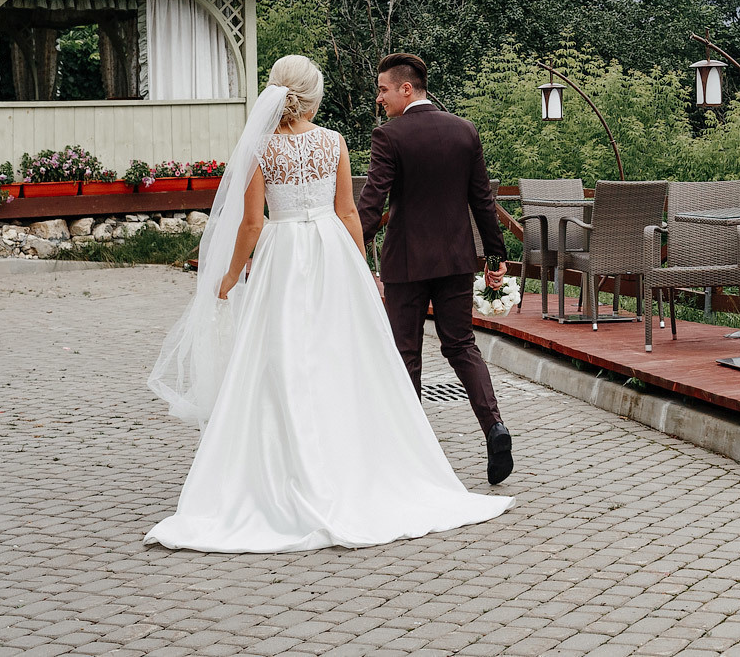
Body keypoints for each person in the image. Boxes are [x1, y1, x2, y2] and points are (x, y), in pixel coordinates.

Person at [144, 55, 508, 552]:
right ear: (312, 96)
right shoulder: (339, 141)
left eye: (384, 89)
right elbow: (352, 213)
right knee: (358, 355)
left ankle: (290, 463)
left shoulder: (262, 148)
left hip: (288, 255)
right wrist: (361, 267)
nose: (380, 96)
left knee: (285, 357)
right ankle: (395, 452)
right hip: (342, 253)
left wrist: (229, 276)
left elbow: (254, 223)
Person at [358, 52, 515, 485]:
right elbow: (483, 201)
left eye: (384, 89)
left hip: (407, 264)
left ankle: (409, 454)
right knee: (462, 345)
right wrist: (496, 259)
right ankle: (495, 426)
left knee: (406, 353)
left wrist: (349, 246)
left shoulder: (389, 136)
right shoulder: (465, 131)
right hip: (456, 261)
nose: (380, 98)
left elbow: (372, 202)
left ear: (406, 88)